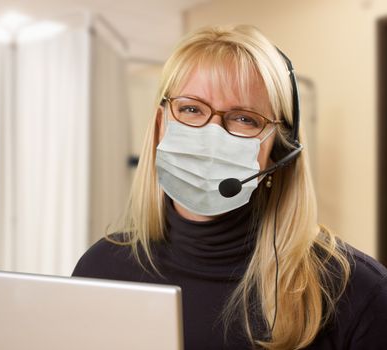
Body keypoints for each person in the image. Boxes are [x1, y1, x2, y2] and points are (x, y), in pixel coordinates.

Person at [72, 25, 387, 349]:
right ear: (159, 125)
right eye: (191, 109)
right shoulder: (101, 268)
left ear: (279, 152)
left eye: (244, 118)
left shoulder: (356, 292)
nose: (212, 135)